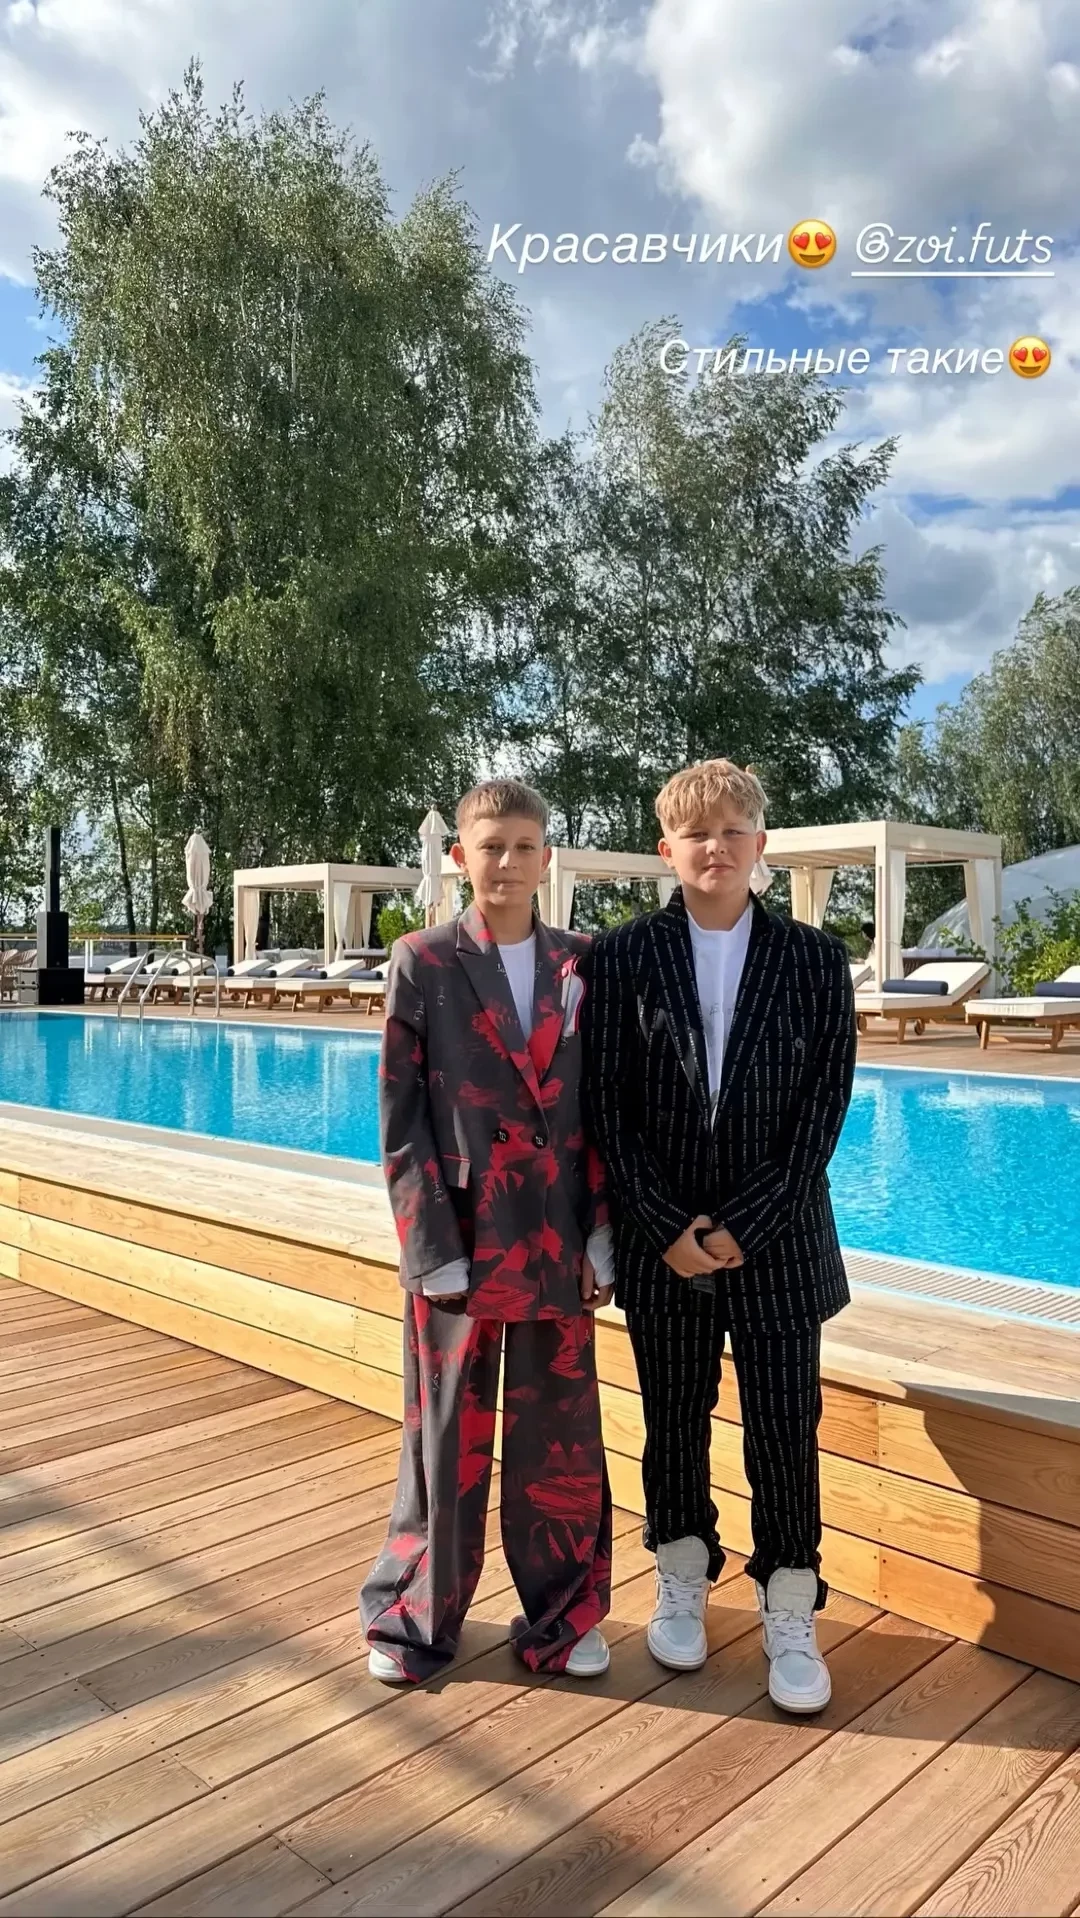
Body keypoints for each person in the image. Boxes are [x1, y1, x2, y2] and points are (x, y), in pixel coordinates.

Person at [582, 759, 857, 1713]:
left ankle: (790, 1601)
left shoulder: (815, 961)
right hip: (664, 1245)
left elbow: (824, 1108)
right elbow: (605, 1106)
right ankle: (682, 1573)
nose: (717, 847)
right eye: (697, 834)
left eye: (734, 830)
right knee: (674, 1423)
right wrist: (666, 1227)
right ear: (667, 850)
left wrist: (747, 1223)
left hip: (780, 1243)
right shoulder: (621, 956)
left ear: (761, 845)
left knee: (785, 1427)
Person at [360, 778, 615, 1684]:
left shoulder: (585, 963)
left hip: (558, 1242)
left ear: (547, 858)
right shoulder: (422, 960)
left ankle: (564, 1616)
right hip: (460, 1243)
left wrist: (603, 1232)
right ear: (459, 856)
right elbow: (401, 1120)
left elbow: (606, 1109)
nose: (506, 862)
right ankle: (416, 1618)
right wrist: (429, 1248)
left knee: (561, 1445)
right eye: (489, 845)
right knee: (445, 1443)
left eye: (523, 846)